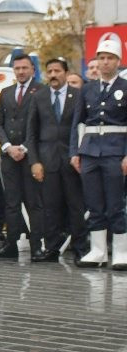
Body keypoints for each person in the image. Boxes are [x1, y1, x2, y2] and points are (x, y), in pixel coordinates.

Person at [70, 33, 127, 268]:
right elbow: (77, 122)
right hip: (90, 152)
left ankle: (121, 252)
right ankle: (98, 251)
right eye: (101, 57)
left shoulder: (125, 87)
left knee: (115, 204)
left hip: (116, 151)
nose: (105, 62)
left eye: (110, 58)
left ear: (118, 61)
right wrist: (74, 152)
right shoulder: (88, 89)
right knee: (94, 204)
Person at [28, 57, 87, 262]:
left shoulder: (79, 95)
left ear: (65, 72)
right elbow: (32, 132)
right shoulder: (39, 96)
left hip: (73, 160)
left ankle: (81, 249)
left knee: (76, 206)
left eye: (57, 71)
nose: (53, 75)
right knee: (50, 207)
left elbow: (83, 128)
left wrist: (79, 154)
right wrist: (34, 161)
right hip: (47, 160)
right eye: (49, 71)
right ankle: (51, 249)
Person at [0, 54, 44, 259]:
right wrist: (7, 146)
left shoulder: (42, 91)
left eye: (24, 68)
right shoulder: (6, 92)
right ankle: (10, 244)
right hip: (8, 156)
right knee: (11, 202)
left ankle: (36, 246)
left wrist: (24, 147)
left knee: (34, 203)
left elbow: (42, 124)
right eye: (17, 68)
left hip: (30, 156)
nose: (21, 71)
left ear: (32, 69)